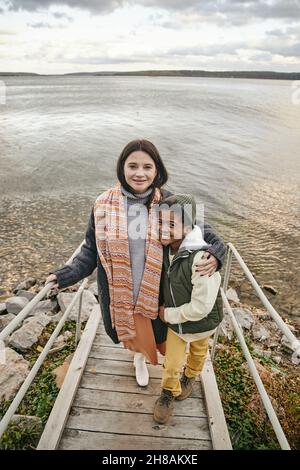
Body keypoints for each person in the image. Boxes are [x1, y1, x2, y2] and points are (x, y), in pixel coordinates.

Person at [45, 139, 226, 387]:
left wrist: (216, 254)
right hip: (121, 289)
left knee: (157, 332)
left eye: (147, 167)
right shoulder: (103, 204)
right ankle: (138, 359)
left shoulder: (169, 201)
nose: (139, 173)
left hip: (156, 287)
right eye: (132, 166)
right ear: (122, 168)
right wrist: (62, 276)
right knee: (134, 334)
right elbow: (90, 250)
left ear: (157, 170)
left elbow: (205, 232)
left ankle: (152, 362)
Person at [153, 193, 223, 424]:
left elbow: (201, 307)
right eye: (161, 222)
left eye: (172, 224)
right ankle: (168, 392)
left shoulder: (203, 259)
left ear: (189, 226)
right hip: (177, 324)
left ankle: (190, 377)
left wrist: (167, 314)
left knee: (198, 352)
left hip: (200, 321)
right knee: (172, 362)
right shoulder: (165, 248)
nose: (163, 229)